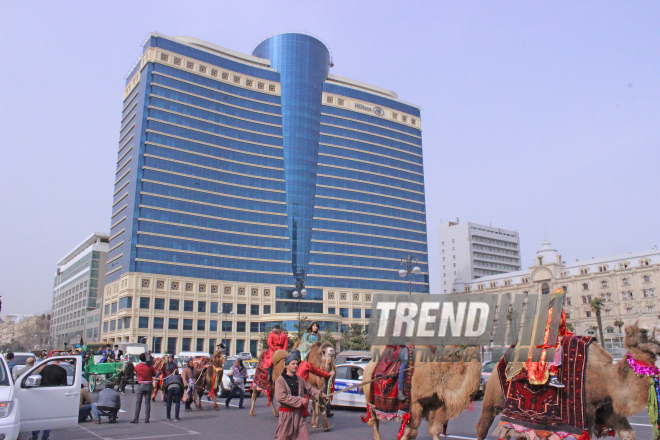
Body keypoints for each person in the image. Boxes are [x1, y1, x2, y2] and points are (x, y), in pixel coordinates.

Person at [274, 352, 325, 440]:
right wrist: (300, 400)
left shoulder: (299, 380)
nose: (295, 366)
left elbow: (309, 389)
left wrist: (319, 394)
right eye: (293, 364)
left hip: (299, 415)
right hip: (286, 417)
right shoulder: (280, 380)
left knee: (304, 437)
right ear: (287, 366)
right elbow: (281, 397)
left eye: (297, 364)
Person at [32, 358, 67, 440]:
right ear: (60, 361)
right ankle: (45, 437)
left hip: (42, 395)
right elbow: (64, 385)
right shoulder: (62, 371)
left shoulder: (45, 369)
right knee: (49, 419)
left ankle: (34, 436)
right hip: (54, 396)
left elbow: (39, 381)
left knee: (39, 417)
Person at [131, 353, 158, 423]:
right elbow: (154, 374)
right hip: (148, 384)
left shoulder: (137, 366)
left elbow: (135, 372)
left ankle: (136, 418)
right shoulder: (150, 366)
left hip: (140, 384)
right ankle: (147, 419)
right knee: (147, 402)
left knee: (138, 402)